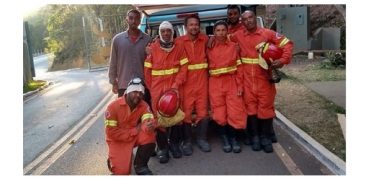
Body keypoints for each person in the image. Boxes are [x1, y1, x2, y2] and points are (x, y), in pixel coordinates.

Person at [231, 10, 293, 153]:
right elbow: (221, 38)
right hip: (247, 81)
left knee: (265, 109)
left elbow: (287, 44)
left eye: (250, 17)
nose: (248, 21)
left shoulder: (268, 33)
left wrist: (282, 60)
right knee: (251, 110)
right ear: (242, 22)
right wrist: (210, 40)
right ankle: (255, 137)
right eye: (245, 19)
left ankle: (265, 137)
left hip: (264, 79)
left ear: (255, 18)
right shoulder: (238, 35)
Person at [144, 21, 188, 163]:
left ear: (172, 32)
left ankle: (174, 144)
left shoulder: (179, 47)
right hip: (157, 90)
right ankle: (162, 148)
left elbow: (184, 68)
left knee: (176, 118)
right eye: (163, 31)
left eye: (168, 31)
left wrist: (176, 85)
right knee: (159, 119)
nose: (166, 34)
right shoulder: (152, 48)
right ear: (160, 33)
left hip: (174, 88)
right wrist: (152, 89)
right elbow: (147, 72)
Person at [207, 20, 246, 153]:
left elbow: (239, 67)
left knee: (234, 112)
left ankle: (233, 138)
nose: (221, 33)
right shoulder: (208, 47)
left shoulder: (234, 46)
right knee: (219, 113)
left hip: (231, 82)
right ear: (214, 33)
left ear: (227, 31)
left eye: (223, 30)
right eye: (217, 30)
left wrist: (240, 85)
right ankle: (224, 138)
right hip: (215, 84)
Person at [104, 77, 156, 175]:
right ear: (128, 92)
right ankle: (114, 159)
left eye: (141, 93)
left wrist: (149, 126)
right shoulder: (112, 107)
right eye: (135, 92)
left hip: (133, 136)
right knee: (123, 172)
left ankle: (140, 166)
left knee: (150, 135)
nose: (138, 95)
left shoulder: (143, 105)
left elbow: (147, 120)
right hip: (118, 140)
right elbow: (111, 133)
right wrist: (135, 131)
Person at [176, 15, 211, 155]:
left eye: (196, 24)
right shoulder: (178, 42)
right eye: (191, 25)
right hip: (186, 84)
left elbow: (221, 42)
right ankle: (187, 141)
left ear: (199, 26)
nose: (194, 27)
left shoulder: (206, 39)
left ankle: (202, 139)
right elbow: (164, 48)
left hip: (202, 83)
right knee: (186, 114)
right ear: (186, 27)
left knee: (203, 112)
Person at [108, 9, 151, 101]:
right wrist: (113, 82)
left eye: (136, 19)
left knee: (144, 113)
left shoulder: (147, 39)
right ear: (126, 19)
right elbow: (113, 62)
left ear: (140, 21)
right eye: (131, 18)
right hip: (124, 85)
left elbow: (152, 63)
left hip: (143, 85)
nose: (133, 21)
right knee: (125, 113)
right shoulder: (117, 40)